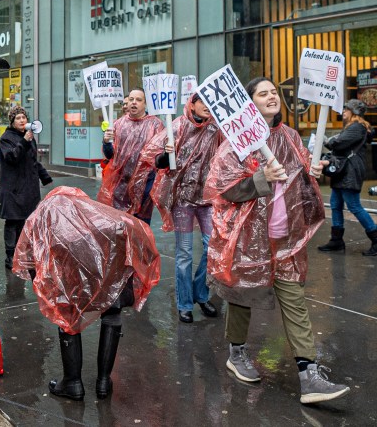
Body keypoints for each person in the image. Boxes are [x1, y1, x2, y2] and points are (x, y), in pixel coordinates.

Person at [204, 77, 350, 405]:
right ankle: (236, 352)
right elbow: (222, 188)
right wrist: (260, 178)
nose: (271, 97)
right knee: (243, 295)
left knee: (294, 299)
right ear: (249, 102)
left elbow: (298, 177)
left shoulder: (290, 136)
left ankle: (308, 374)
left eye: (274, 92)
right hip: (249, 238)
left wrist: (313, 170)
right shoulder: (236, 143)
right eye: (263, 93)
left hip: (285, 238)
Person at [13, 187, 160, 401]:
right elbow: (137, 232)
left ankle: (73, 383)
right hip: (106, 278)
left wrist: (50, 290)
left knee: (66, 317)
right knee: (112, 310)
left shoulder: (41, 217)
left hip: (69, 281)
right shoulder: (96, 213)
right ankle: (103, 381)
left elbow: (28, 259)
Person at [139, 94, 221, 323]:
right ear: (192, 104)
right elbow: (154, 159)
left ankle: (200, 294)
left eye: (210, 101)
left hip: (207, 199)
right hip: (182, 200)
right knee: (184, 253)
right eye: (202, 101)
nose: (207, 105)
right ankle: (185, 303)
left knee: (213, 248)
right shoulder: (176, 126)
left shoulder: (216, 128)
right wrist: (166, 154)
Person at [316, 98, 377, 256]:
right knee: (336, 204)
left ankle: (376, 239)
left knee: (354, 206)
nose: (343, 111)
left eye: (347, 109)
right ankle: (336, 240)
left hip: (350, 171)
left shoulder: (357, 127)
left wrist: (327, 140)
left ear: (354, 112)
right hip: (344, 171)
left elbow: (339, 143)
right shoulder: (352, 126)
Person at [98, 89, 164, 223]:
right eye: (131, 99)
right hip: (120, 184)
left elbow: (159, 158)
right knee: (119, 227)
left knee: (140, 227)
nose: (134, 103)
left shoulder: (155, 125)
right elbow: (110, 155)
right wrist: (106, 141)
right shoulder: (118, 124)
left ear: (145, 104)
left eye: (139, 100)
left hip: (145, 185)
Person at [0, 105, 52, 268]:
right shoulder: (6, 138)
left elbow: (33, 161)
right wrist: (25, 141)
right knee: (12, 221)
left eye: (24, 117)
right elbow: (12, 157)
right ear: (12, 122)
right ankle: (10, 255)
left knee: (25, 221)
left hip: (28, 188)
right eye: (18, 118)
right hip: (13, 188)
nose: (22, 120)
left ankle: (22, 253)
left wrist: (45, 177)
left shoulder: (29, 138)